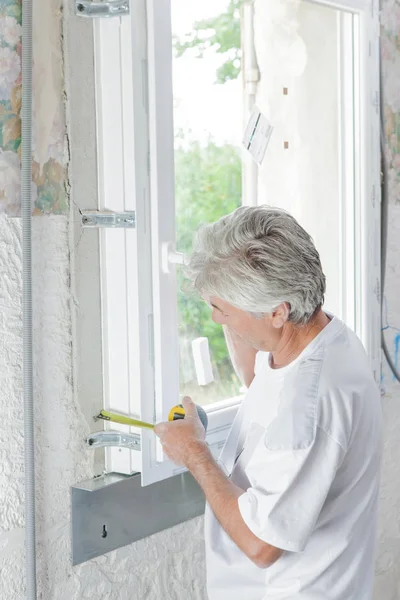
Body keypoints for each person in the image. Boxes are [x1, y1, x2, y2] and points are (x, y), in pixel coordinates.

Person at [154, 205, 382, 600]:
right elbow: (262, 380)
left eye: (221, 309)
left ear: (278, 312)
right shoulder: (321, 336)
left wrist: (194, 452)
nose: (214, 317)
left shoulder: (308, 410)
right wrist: (222, 281)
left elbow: (262, 545)